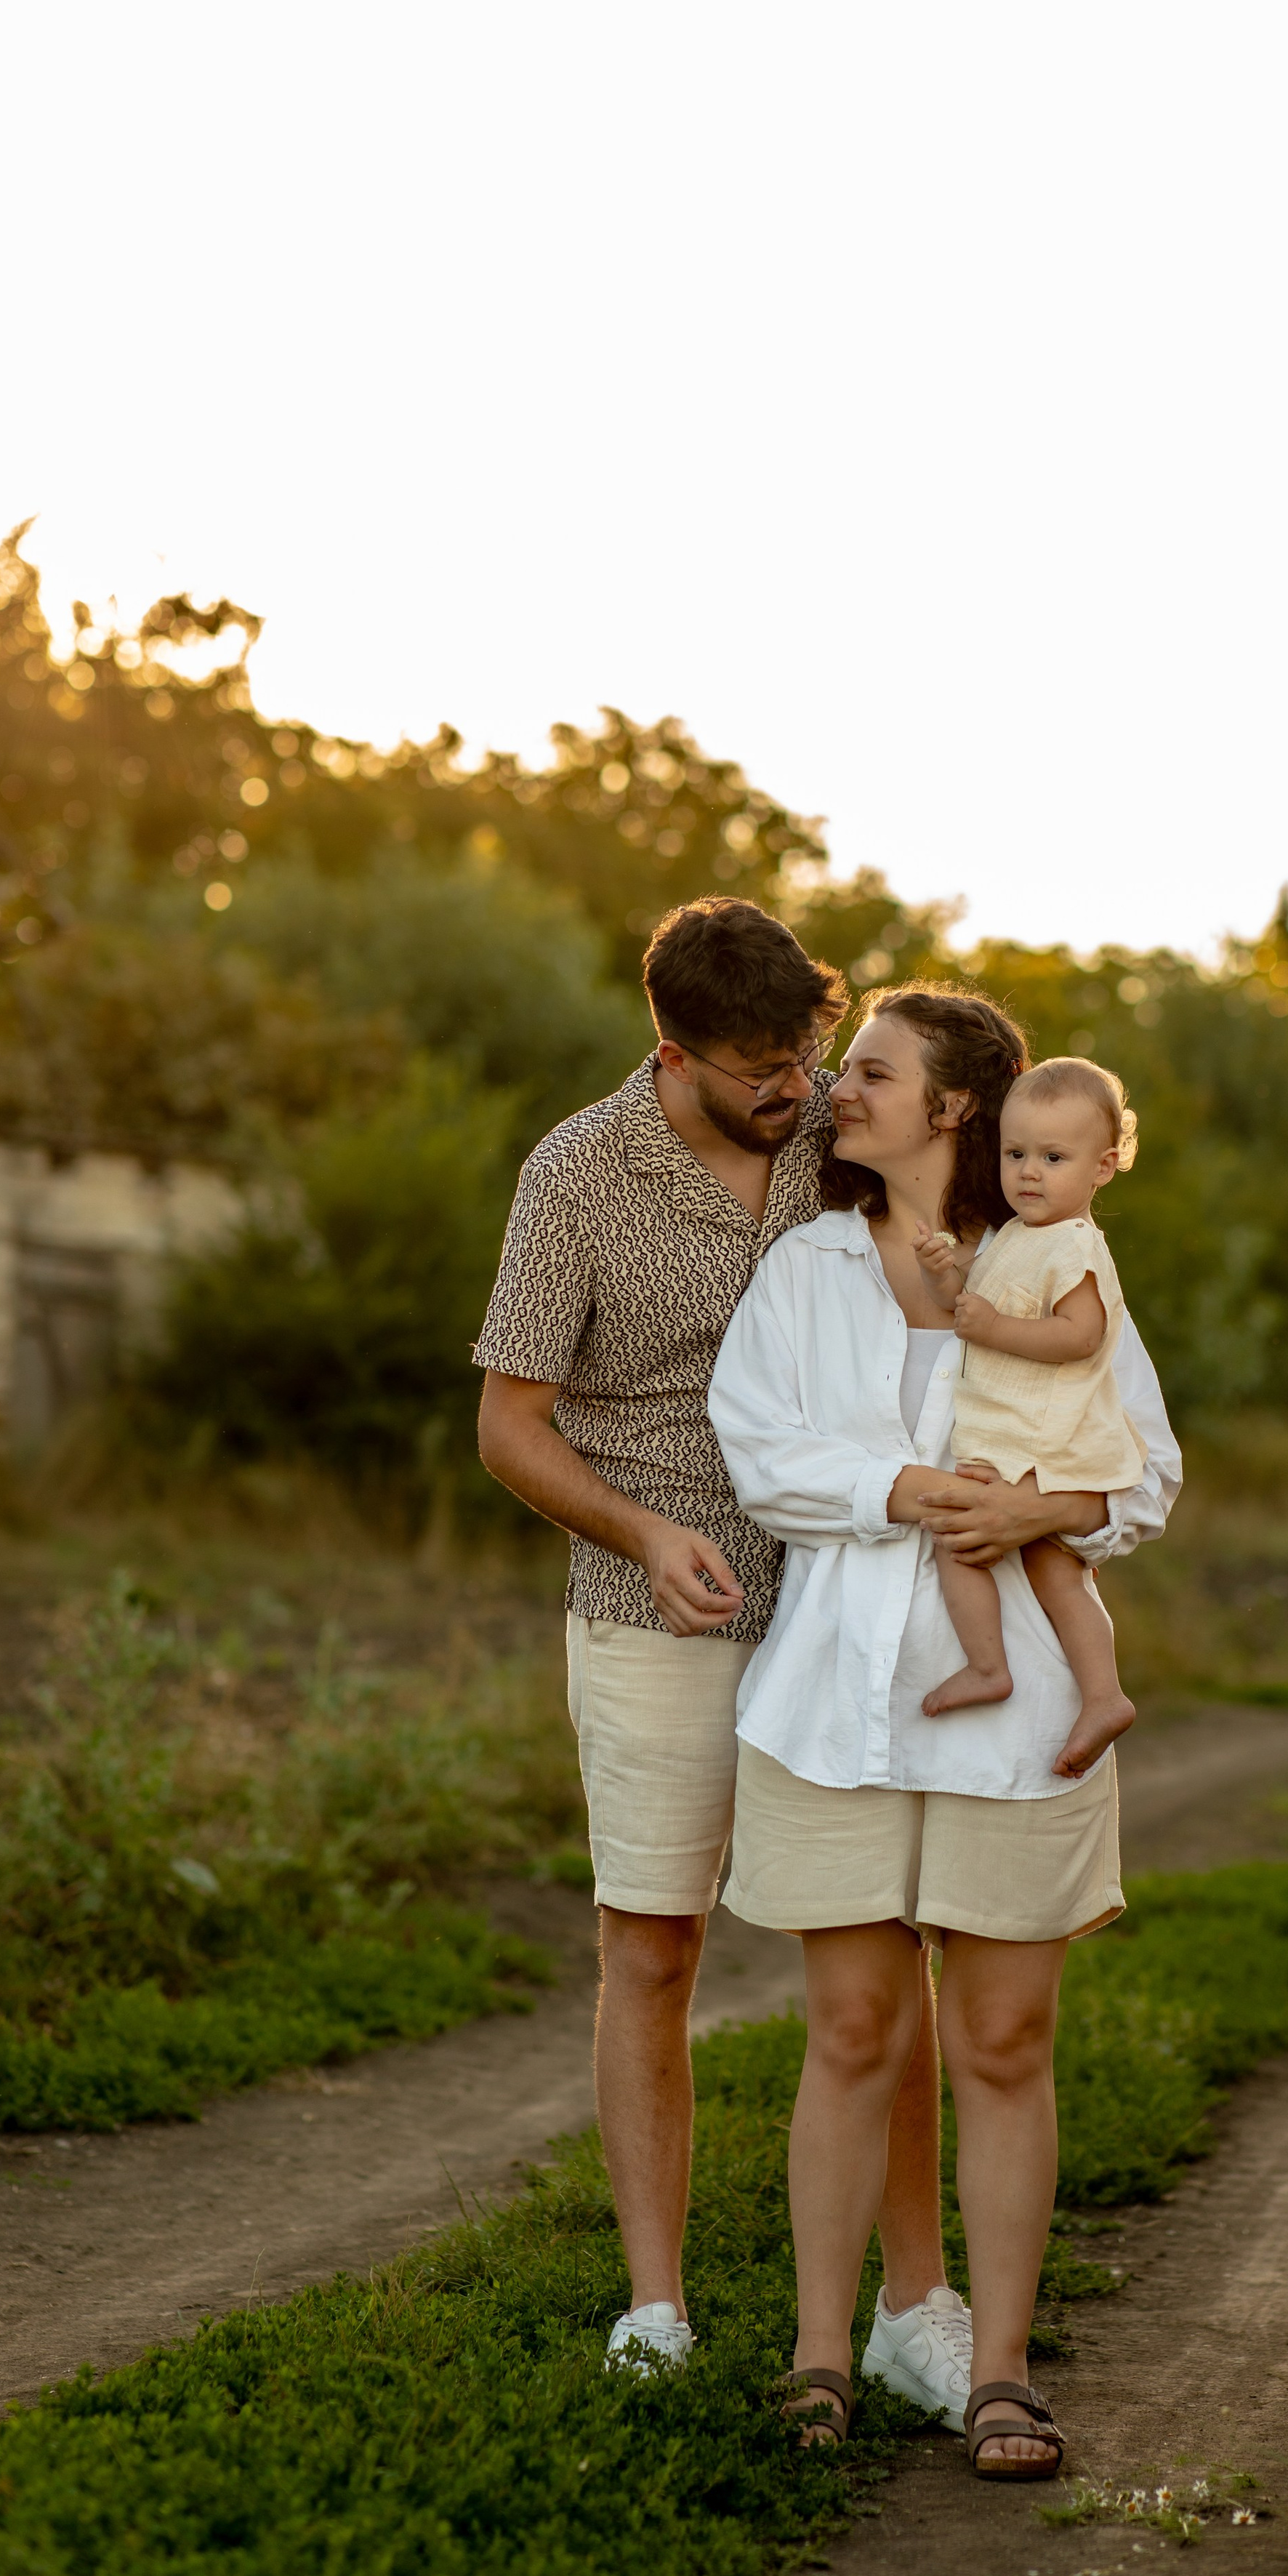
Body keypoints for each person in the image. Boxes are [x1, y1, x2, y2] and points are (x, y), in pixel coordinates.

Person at [473, 899, 970, 2403]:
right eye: (759, 1067)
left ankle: (912, 2310)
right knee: (652, 1944)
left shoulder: (841, 1127)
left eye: (806, 1055)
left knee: (873, 1948)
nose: (794, 1091)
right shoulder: (573, 1175)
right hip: (656, 1595)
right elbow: (506, 1424)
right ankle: (657, 2310)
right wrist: (635, 1533)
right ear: (669, 1049)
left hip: (845, 1585)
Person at [707, 987, 1180, 2475]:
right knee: (850, 2030)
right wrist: (908, 1495)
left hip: (1017, 1714)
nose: (840, 1089)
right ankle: (819, 2356)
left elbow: (1147, 1475)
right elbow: (760, 1454)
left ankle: (996, 2374)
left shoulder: (1050, 1267)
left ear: (954, 1106)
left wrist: (1038, 1506)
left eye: (871, 1071)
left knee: (1000, 2034)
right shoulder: (805, 1272)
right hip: (831, 1709)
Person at [911, 1056, 1146, 1781]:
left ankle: (992, 1668)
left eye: (1053, 1157)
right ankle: (1098, 1695)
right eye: (1016, 1154)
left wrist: (991, 1330)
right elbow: (977, 1301)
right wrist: (948, 1271)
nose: (1029, 1173)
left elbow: (1078, 1335)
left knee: (962, 1538)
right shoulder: (1017, 1235)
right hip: (1025, 1436)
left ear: (1103, 1167)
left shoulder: (1073, 1243)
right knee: (1052, 1569)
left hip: (1041, 1439)